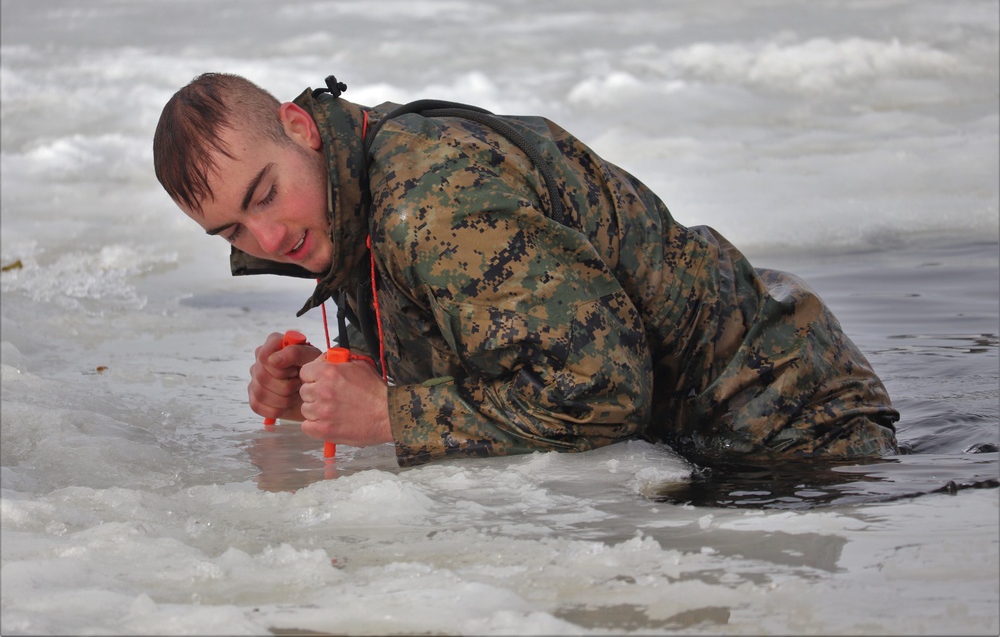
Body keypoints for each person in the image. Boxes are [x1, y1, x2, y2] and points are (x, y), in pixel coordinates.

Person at [152, 72, 899, 468]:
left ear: (298, 125)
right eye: (233, 229)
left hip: (795, 437)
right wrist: (330, 378)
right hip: (708, 440)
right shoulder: (348, 198)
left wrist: (388, 416)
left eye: (265, 195)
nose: (270, 235)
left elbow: (606, 392)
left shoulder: (433, 203)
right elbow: (477, 335)